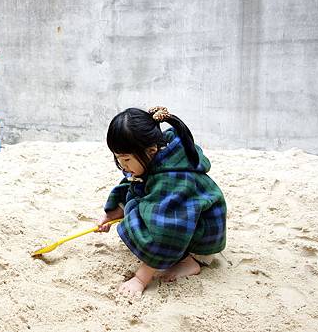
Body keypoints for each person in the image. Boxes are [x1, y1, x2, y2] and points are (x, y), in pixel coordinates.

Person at [96, 106, 226, 295]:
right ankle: (183, 258)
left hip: (200, 240)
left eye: (126, 159)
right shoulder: (157, 156)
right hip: (189, 225)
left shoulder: (172, 180)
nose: (123, 166)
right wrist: (111, 214)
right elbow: (133, 186)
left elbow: (169, 232)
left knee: (139, 216)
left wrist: (140, 279)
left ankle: (188, 261)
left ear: (151, 150)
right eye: (118, 159)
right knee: (135, 208)